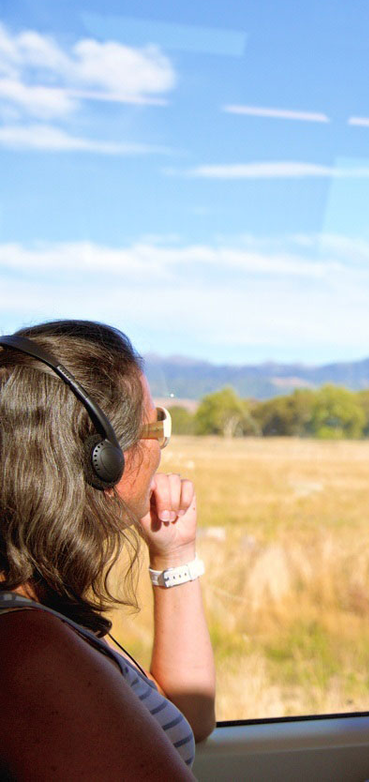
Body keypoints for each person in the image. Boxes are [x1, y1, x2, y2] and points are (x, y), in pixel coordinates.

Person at [0, 320, 214, 779]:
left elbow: (184, 720)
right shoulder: (31, 649)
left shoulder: (34, 609)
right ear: (105, 459)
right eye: (155, 426)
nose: (159, 448)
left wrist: (173, 555)